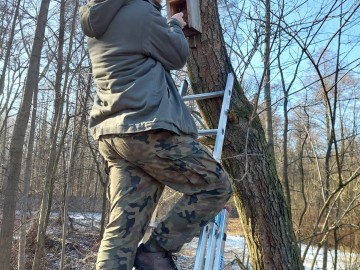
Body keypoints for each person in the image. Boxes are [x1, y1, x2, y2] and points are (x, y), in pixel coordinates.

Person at [79, 0, 233, 269]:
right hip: (147, 130)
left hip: (113, 135)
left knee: (123, 229)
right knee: (215, 185)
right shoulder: (140, 12)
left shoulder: (97, 21)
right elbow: (176, 55)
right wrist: (174, 24)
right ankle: (155, 250)